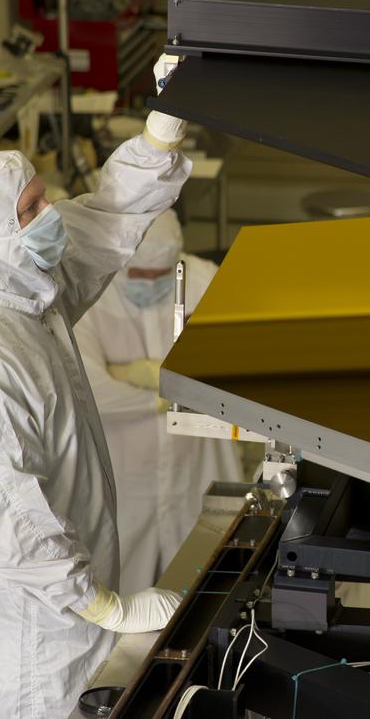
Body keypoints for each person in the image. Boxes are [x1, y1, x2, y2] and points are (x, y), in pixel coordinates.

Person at [0, 57, 193, 718]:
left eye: (42, 196)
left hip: (60, 627)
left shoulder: (14, 280)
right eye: (33, 207)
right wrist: (108, 605)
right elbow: (10, 520)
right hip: (17, 659)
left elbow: (103, 219)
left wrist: (163, 131)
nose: (50, 214)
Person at [74, 210, 245, 594]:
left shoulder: (204, 281)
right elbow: (89, 391)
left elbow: (231, 369)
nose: (150, 283)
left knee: (204, 571)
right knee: (117, 578)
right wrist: (170, 394)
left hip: (195, 462)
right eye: (140, 276)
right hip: (123, 471)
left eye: (160, 275)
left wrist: (131, 375)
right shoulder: (89, 295)